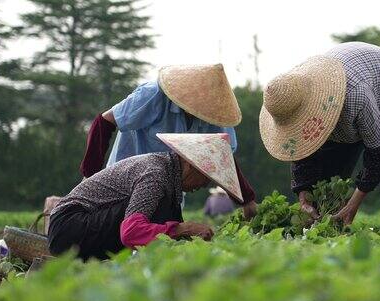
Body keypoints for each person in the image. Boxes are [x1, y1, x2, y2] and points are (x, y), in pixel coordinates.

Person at [259, 42, 380, 237]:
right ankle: (325, 237)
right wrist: (304, 198)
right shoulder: (291, 92)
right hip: (363, 91)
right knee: (325, 186)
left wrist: (352, 205)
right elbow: (302, 150)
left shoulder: (355, 97)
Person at [78, 64, 257, 218]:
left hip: (170, 189)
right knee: (125, 236)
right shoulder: (153, 95)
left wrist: (246, 200)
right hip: (125, 182)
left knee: (162, 241)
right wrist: (90, 175)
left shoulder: (215, 114)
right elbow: (104, 122)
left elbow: (222, 156)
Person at [49, 133, 243, 260]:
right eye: (206, 178)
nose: (203, 186)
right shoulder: (156, 175)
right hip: (69, 227)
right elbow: (131, 232)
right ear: (192, 166)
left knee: (168, 216)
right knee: (163, 213)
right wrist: (183, 228)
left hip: (83, 226)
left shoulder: (168, 173)